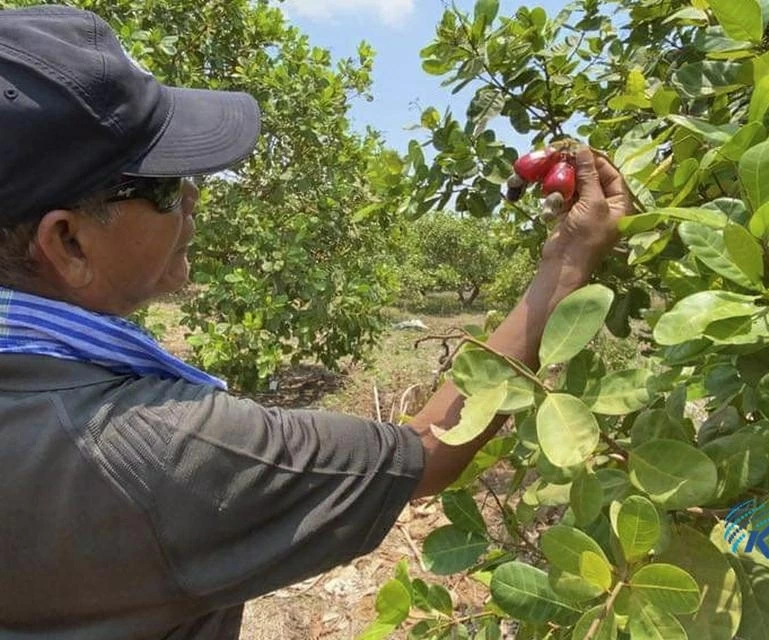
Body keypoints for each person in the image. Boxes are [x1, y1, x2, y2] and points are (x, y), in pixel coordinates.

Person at [0, 5, 632, 639]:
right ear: (69, 243)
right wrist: (569, 259)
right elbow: (431, 454)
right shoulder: (161, 452)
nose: (194, 195)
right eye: (165, 185)